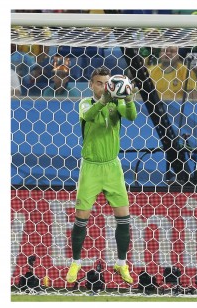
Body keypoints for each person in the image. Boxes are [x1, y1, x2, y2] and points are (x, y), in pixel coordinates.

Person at [67, 68, 138, 285]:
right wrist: (104, 100)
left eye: (106, 83)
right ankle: (76, 262)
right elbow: (89, 116)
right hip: (91, 167)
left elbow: (132, 117)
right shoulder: (86, 103)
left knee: (123, 215)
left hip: (112, 167)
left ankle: (121, 262)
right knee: (81, 216)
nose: (103, 87)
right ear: (91, 85)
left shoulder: (117, 105)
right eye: (99, 83)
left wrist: (129, 99)